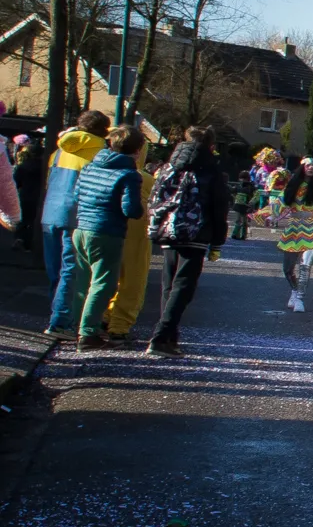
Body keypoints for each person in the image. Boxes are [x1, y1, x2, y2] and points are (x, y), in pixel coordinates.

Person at [146, 126, 229, 355]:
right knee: (184, 285)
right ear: (211, 146)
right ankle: (161, 336)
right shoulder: (211, 170)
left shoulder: (169, 167)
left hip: (168, 229)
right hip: (196, 232)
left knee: (169, 283)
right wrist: (218, 241)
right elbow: (219, 206)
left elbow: (155, 197)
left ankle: (170, 337)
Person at [66, 124, 145, 348]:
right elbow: (130, 209)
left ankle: (78, 327)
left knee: (83, 281)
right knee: (104, 284)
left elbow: (76, 195)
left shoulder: (91, 166)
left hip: (81, 228)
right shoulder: (129, 174)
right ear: (137, 150)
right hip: (106, 232)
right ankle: (88, 333)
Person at [39, 110, 111, 331]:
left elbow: (48, 183)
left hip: (51, 213)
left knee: (55, 270)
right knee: (71, 269)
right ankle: (61, 320)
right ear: (103, 130)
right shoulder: (100, 151)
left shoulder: (60, 149)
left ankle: (57, 313)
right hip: (77, 215)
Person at [277, 158, 313, 312]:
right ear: (303, 167)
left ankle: (300, 298)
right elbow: (279, 204)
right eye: (308, 166)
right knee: (287, 269)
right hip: (293, 229)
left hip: (312, 230)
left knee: (305, 266)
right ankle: (294, 290)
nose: (311, 168)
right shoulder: (292, 186)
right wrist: (269, 216)